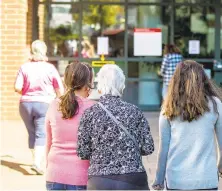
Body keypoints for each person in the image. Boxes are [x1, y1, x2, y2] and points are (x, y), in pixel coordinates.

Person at [77, 64, 155, 190]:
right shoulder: (134, 111)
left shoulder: (89, 114)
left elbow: (82, 152)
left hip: (99, 180)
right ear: (122, 85)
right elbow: (148, 147)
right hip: (132, 179)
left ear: (100, 86)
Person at [152, 60, 222, 190]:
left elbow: (164, 150)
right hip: (206, 180)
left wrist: (159, 179)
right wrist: (219, 166)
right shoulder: (215, 104)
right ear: (203, 79)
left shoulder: (168, 107)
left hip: (176, 181)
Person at [14, 40, 64, 175]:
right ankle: (37, 163)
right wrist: (61, 100)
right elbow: (60, 88)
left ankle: (35, 160)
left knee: (32, 133)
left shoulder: (24, 67)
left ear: (32, 51)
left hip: (25, 105)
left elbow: (17, 87)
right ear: (45, 51)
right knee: (41, 133)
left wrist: (28, 91)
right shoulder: (50, 68)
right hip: (44, 103)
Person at [45, 62, 95, 190]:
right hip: (81, 176)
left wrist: (48, 167)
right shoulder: (93, 108)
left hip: (54, 174)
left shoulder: (54, 105)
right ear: (88, 83)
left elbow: (48, 142)